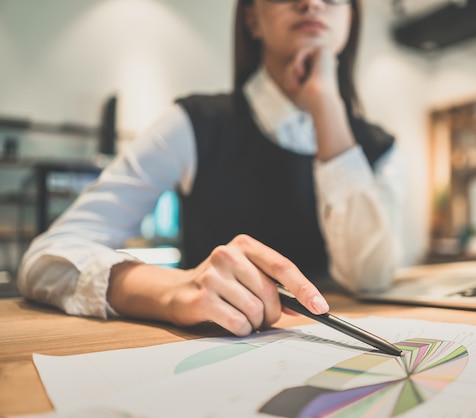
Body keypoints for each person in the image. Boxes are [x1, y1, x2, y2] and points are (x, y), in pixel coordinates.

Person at [17, 0, 407, 337]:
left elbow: (370, 278)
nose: (312, 3)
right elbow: (47, 259)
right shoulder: (193, 123)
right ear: (252, 17)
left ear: (352, 18)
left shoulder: (380, 147)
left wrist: (327, 108)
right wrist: (170, 290)